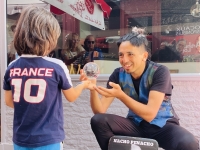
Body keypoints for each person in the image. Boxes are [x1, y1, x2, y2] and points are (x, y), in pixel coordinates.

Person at [80, 27, 199, 150]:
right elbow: (100, 110)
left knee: (189, 143)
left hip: (163, 126)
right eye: (121, 55)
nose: (124, 60)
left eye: (130, 54)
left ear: (144, 56)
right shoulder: (118, 74)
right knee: (99, 121)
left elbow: (150, 114)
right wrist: (92, 87)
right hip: (135, 125)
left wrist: (121, 95)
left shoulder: (159, 72)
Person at [3, 6, 91, 150]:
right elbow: (71, 96)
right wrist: (84, 84)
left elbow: (9, 102)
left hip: (20, 139)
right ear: (48, 38)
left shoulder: (12, 67)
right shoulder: (56, 66)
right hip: (49, 139)